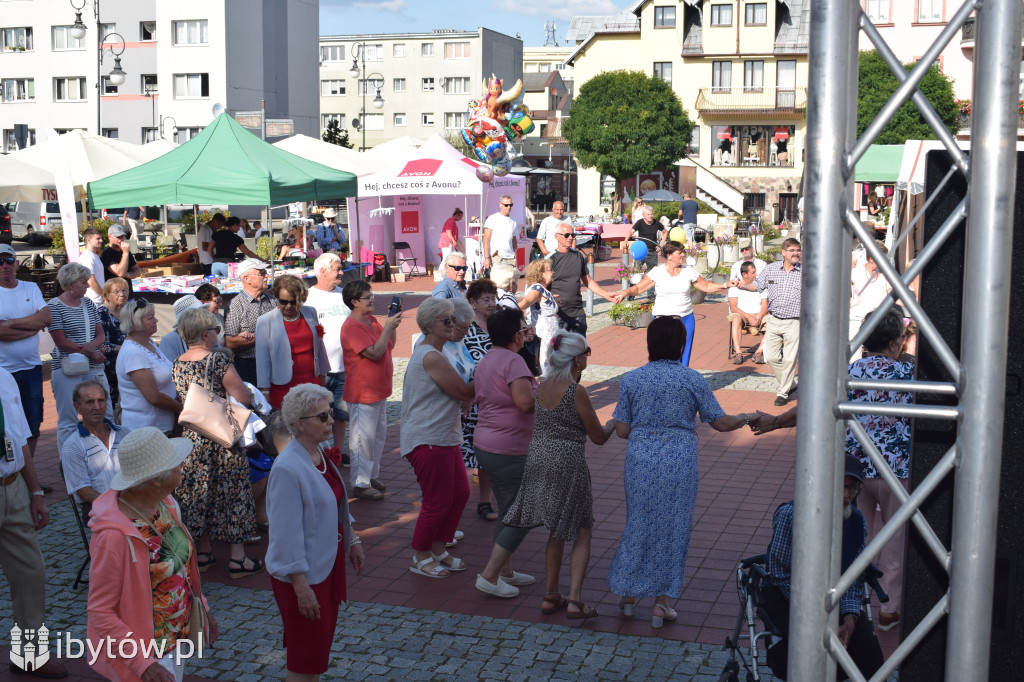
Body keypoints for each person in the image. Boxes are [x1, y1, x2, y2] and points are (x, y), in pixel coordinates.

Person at [607, 317, 756, 626]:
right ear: (680, 345)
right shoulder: (692, 379)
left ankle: (628, 595)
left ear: (649, 343)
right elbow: (719, 421)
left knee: (638, 522)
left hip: (641, 461)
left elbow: (622, 430)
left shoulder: (631, 380)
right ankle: (662, 603)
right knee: (673, 529)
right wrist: (747, 416)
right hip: (679, 462)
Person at [87, 427, 219, 682]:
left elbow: (183, 568)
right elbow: (100, 612)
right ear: (156, 479)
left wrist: (203, 609)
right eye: (174, 463)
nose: (181, 464)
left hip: (174, 640)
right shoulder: (113, 536)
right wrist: (142, 663)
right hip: (146, 654)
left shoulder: (166, 504)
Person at [503, 331, 615, 619]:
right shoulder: (574, 390)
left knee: (555, 529)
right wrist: (614, 422)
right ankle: (576, 599)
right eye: (586, 353)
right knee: (581, 528)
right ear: (577, 360)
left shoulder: (543, 385)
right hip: (566, 461)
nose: (588, 358)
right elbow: (598, 437)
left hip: (538, 457)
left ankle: (551, 594)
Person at [266, 384, 364, 681]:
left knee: (317, 652)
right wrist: (301, 587)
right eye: (322, 417)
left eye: (330, 413)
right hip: (304, 576)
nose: (331, 421)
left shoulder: (318, 453)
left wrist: (352, 537)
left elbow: (334, 500)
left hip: (325, 566)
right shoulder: (287, 469)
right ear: (299, 424)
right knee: (306, 659)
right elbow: (285, 535)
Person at [761, 455, 884, 680]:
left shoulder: (857, 523)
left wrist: (849, 617)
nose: (847, 495)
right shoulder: (791, 515)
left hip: (833, 594)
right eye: (842, 487)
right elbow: (779, 574)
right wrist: (819, 611)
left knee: (868, 650)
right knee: (816, 647)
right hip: (788, 593)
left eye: (853, 488)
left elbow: (852, 578)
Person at [173, 308, 263, 578]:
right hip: (221, 437)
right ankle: (238, 559)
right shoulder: (217, 361)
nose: (218, 334)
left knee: (199, 495)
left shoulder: (178, 362)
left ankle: (203, 552)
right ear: (205, 333)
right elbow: (243, 397)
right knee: (234, 493)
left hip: (193, 437)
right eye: (215, 329)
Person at [845, 306, 916, 632]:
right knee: (894, 538)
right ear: (894, 342)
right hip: (894, 468)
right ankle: (889, 609)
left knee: (856, 536)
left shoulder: (851, 370)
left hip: (855, 470)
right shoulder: (906, 375)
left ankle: (851, 604)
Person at [0, 366, 68, 680]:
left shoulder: (3, 376)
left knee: (31, 572)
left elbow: (21, 437)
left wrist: (36, 491)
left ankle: (29, 655)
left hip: (12, 486)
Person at [401, 297, 475, 578]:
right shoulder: (430, 354)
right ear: (430, 325)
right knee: (438, 499)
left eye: (452, 319)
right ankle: (420, 555)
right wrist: (492, 367)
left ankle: (438, 548)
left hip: (441, 435)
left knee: (460, 493)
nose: (452, 325)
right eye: (446, 320)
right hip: (428, 437)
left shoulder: (436, 350)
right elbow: (465, 393)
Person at [473, 308, 538, 598]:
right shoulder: (513, 361)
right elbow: (525, 403)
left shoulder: (488, 358)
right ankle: (489, 575)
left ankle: (506, 571)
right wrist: (548, 396)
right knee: (521, 513)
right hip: (509, 449)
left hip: (487, 444)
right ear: (514, 335)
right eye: (523, 329)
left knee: (508, 509)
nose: (527, 332)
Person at [616, 241, 736, 366]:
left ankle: (681, 381)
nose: (683, 255)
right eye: (680, 253)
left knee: (684, 354)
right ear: (669, 256)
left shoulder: (689, 271)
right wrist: (625, 292)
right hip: (662, 320)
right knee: (662, 354)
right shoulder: (657, 272)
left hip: (685, 318)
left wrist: (725, 285)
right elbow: (639, 288)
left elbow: (706, 286)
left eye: (683, 252)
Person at [341, 280, 401, 501]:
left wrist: (391, 327)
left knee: (377, 437)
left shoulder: (371, 320)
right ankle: (360, 482)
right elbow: (374, 353)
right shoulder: (351, 327)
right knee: (362, 439)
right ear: (355, 302)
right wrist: (386, 329)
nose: (372, 299)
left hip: (378, 389)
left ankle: (370, 475)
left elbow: (389, 345)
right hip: (362, 392)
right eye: (368, 297)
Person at [48, 262, 110, 448]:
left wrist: (92, 348)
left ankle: (102, 453)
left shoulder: (88, 303)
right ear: (69, 285)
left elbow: (100, 334)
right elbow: (61, 341)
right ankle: (67, 464)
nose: (88, 285)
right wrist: (92, 351)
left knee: (104, 413)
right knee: (68, 418)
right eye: (83, 282)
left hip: (93, 366)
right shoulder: (54, 306)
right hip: (67, 367)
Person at [735, 238, 802, 406]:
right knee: (771, 357)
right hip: (774, 320)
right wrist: (742, 286)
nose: (796, 253)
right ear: (784, 252)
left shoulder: (805, 271)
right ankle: (791, 385)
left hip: (795, 321)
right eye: (792, 250)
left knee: (789, 360)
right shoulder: (771, 269)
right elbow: (756, 285)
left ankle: (783, 393)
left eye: (798, 250)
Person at [0, 243, 50, 461]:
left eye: (9, 260)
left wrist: (9, 324)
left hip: (31, 368)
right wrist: (31, 328)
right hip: (2, 373)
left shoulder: (30, 288)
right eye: (0, 261)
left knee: (33, 423)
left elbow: (46, 319)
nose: (5, 265)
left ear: (17, 263)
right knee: (7, 426)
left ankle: (28, 477)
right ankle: (12, 475)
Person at [304, 253, 351, 465]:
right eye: (337, 269)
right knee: (316, 414)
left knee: (341, 413)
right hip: (318, 368)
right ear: (322, 271)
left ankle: (338, 452)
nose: (341, 272)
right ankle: (316, 454)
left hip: (343, 366)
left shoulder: (345, 295)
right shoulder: (308, 298)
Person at [256, 275, 330, 409]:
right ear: (276, 298)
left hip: (311, 381)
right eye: (283, 301)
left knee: (312, 421)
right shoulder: (265, 321)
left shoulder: (310, 312)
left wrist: (323, 373)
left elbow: (319, 345)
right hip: (282, 385)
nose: (289, 306)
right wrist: (264, 390)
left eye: (294, 301)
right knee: (288, 426)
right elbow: (263, 360)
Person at [462, 279, 499, 521]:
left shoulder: (499, 326)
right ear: (472, 303)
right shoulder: (465, 329)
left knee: (487, 454)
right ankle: (457, 500)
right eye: (486, 299)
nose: (492, 303)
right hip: (469, 400)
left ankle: (485, 501)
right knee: (465, 452)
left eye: (493, 298)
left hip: (494, 400)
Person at [117, 298, 182, 435]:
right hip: (145, 432)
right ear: (135, 322)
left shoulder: (149, 343)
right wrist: (182, 408)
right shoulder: (133, 352)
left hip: (159, 428)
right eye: (150, 318)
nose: (156, 320)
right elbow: (153, 397)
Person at [60, 380, 127, 505]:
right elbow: (84, 492)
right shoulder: (72, 446)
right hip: (98, 506)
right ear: (77, 407)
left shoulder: (124, 433)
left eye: (101, 400)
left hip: (133, 501)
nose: (97, 407)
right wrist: (117, 504)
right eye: (90, 402)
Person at [548, 223, 619, 336]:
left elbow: (588, 281)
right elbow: (540, 287)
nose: (571, 238)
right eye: (567, 235)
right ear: (557, 237)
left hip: (577, 313)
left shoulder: (578, 256)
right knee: (559, 352)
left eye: (573, 235)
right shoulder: (550, 259)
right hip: (558, 315)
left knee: (581, 351)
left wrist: (606, 295)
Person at [224, 258, 275, 386]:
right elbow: (230, 342)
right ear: (247, 279)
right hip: (248, 366)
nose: (266, 276)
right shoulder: (235, 305)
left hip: (274, 362)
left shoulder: (273, 301)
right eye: (261, 273)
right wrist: (264, 336)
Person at [519, 258, 559, 374]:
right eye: (550, 270)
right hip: (545, 332)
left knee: (551, 365)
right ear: (542, 274)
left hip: (550, 332)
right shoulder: (537, 289)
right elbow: (524, 303)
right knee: (547, 365)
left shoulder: (542, 289)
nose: (553, 272)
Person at [849, 241, 893, 345]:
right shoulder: (855, 273)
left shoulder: (886, 275)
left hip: (879, 321)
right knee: (854, 355)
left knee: (878, 355)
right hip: (857, 320)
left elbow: (894, 296)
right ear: (872, 259)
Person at [97, 277, 129, 414]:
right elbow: (102, 345)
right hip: (110, 366)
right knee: (112, 404)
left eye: (124, 290)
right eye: (116, 291)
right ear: (106, 295)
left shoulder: (128, 312)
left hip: (127, 363)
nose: (121, 294)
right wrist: (125, 348)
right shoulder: (102, 314)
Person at [728, 261, 769, 365]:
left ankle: (758, 352)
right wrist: (748, 317)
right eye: (753, 272)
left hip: (759, 313)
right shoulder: (735, 286)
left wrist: (759, 317)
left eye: (755, 272)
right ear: (744, 274)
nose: (756, 274)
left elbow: (765, 305)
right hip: (742, 314)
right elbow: (733, 307)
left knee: (772, 322)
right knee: (736, 319)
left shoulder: (761, 285)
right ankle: (738, 353)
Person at [158, 294, 208, 363]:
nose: (203, 317)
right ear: (186, 319)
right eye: (198, 314)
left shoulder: (206, 333)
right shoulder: (170, 340)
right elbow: (169, 369)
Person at [100, 225, 142, 295]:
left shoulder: (126, 251)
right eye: (117, 237)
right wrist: (125, 254)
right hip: (114, 296)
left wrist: (128, 275)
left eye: (122, 236)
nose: (120, 239)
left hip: (128, 294)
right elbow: (120, 273)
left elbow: (138, 271)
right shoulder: (107, 253)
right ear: (109, 237)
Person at [482, 195, 518, 271]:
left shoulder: (513, 221)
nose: (509, 207)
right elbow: (486, 240)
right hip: (497, 257)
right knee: (498, 281)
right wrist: (487, 258)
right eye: (506, 205)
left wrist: (515, 255)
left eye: (511, 205)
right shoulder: (492, 219)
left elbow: (514, 240)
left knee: (510, 281)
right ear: (500, 205)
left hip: (510, 257)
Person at [630, 205, 664, 275]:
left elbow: (665, 232)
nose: (650, 216)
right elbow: (631, 231)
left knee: (653, 274)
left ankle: (651, 286)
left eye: (651, 214)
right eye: (648, 214)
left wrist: (661, 244)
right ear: (643, 215)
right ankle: (635, 285)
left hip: (652, 252)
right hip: (641, 251)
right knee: (636, 272)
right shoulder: (640, 222)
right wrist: (625, 241)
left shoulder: (656, 223)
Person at [79, 226, 106, 305]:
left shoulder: (94, 255)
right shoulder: (87, 257)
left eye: (101, 238)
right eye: (98, 239)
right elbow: (90, 280)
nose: (101, 240)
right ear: (89, 240)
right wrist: (104, 295)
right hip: (92, 301)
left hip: (98, 301)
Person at [197, 213, 224, 277]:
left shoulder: (209, 229)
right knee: (211, 280)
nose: (220, 227)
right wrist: (218, 245)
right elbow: (204, 247)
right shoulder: (206, 229)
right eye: (220, 225)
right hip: (208, 261)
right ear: (216, 221)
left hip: (210, 260)